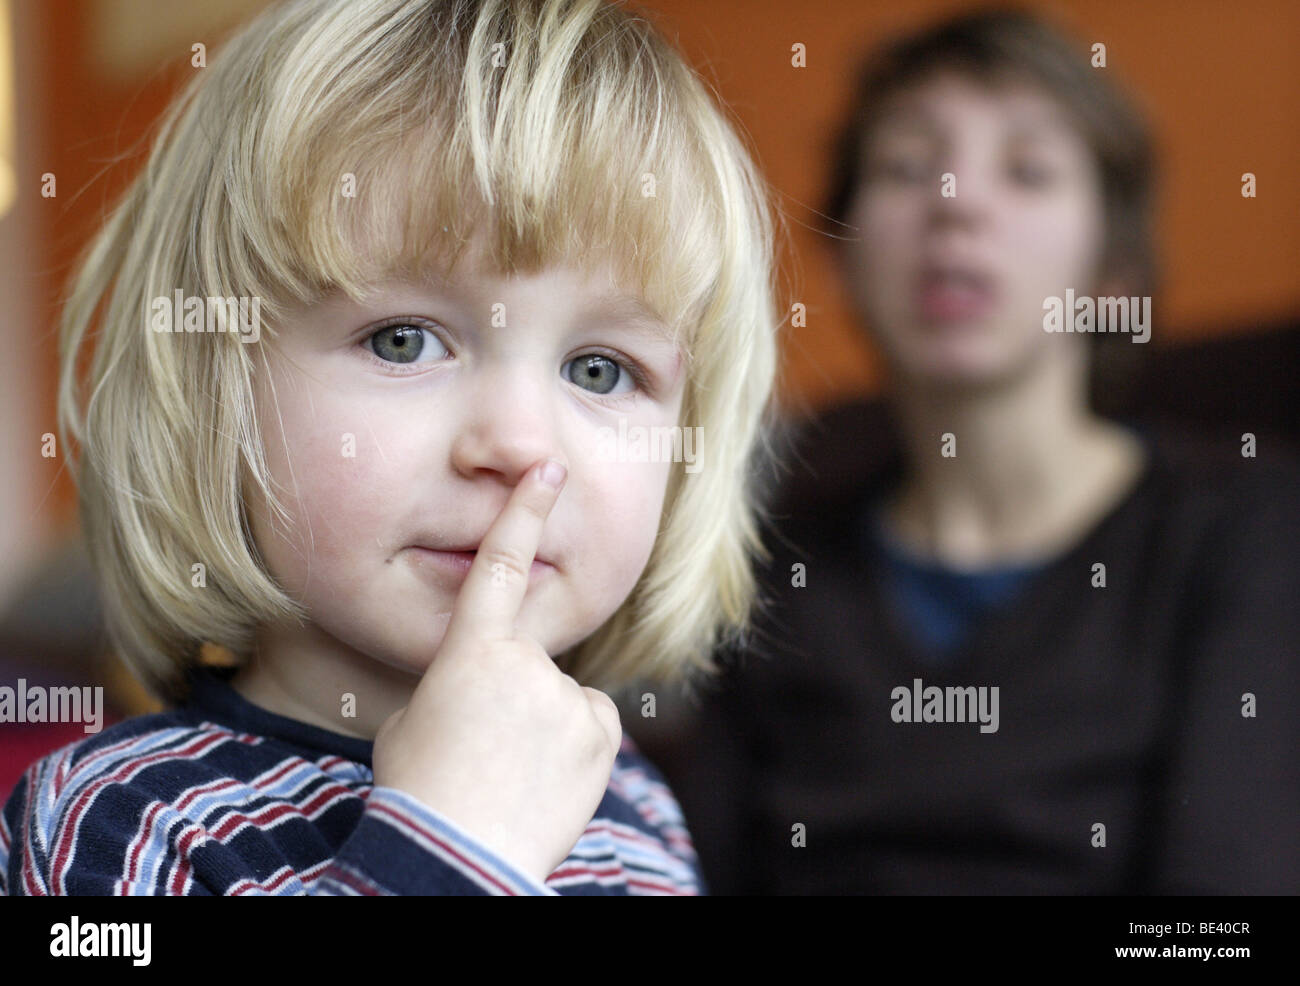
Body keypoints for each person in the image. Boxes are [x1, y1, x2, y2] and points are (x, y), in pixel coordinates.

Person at [0, 0, 780, 895]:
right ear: (213, 391)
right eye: (402, 340)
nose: (521, 446)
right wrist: (454, 849)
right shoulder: (115, 822)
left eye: (600, 370)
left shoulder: (634, 815)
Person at [663, 8, 1300, 894]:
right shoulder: (781, 564)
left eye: (1029, 171)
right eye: (905, 168)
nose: (955, 202)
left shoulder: (1243, 529)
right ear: (844, 257)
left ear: (1112, 271)